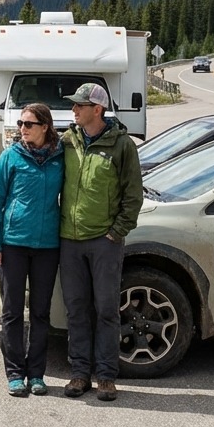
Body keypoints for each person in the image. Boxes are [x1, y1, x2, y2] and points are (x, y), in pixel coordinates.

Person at [58, 82, 143, 402]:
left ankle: (106, 376)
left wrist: (117, 232)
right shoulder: (68, 141)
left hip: (104, 241)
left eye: (80, 105)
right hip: (70, 240)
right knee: (76, 310)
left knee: (106, 309)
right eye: (74, 104)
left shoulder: (122, 146)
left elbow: (133, 195)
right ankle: (80, 374)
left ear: (98, 110)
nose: (74, 109)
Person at [0, 102, 63, 398]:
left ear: (45, 127)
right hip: (13, 244)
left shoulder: (60, 158)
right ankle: (15, 373)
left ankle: (37, 373)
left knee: (41, 313)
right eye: (21, 124)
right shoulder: (11, 157)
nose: (22, 129)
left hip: (47, 246)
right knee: (13, 311)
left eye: (29, 124)